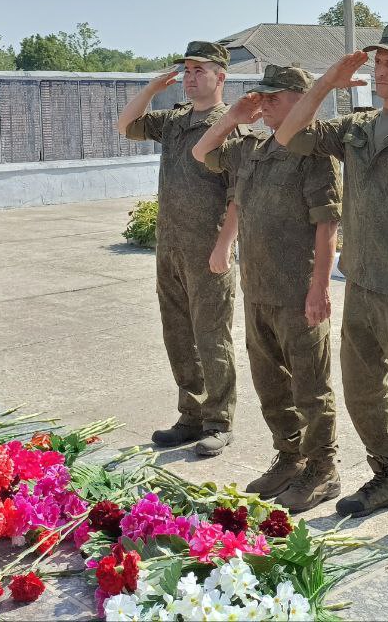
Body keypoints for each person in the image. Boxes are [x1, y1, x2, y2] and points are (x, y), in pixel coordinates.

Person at [274, 24, 388, 550]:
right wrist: (327, 82)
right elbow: (289, 134)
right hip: (360, 285)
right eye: (376, 63)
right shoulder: (356, 127)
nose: (380, 72)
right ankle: (386, 477)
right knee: (362, 394)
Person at [191, 65, 344, 513]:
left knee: (311, 389)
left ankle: (323, 470)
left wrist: (320, 288)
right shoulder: (250, 149)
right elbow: (202, 152)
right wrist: (233, 116)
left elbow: (327, 225)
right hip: (258, 289)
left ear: (301, 98)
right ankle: (290, 457)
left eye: (275, 97)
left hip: (298, 292)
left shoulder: (312, 152)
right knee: (270, 385)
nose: (266, 103)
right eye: (263, 96)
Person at [116, 41, 239, 457]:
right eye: (186, 71)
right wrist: (152, 88)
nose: (189, 78)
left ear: (221, 76)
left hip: (209, 249)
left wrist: (225, 246)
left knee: (212, 336)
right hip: (170, 247)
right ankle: (191, 415)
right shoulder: (175, 120)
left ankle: (219, 420)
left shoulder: (231, 124)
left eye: (199, 71)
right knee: (178, 335)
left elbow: (239, 193)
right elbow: (126, 126)